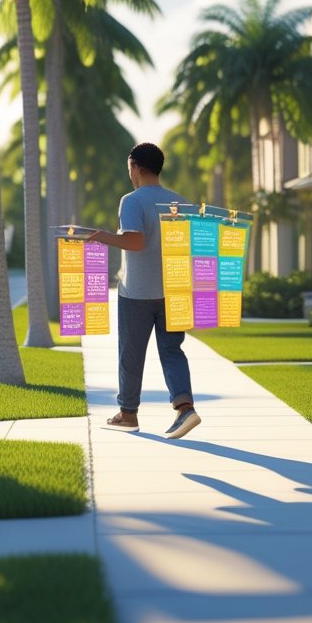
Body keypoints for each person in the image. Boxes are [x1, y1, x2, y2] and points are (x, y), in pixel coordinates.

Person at [90, 142, 201, 438]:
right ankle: (185, 408)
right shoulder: (180, 202)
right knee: (172, 350)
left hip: (137, 292)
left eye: (129, 167)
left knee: (131, 354)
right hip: (174, 290)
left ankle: (128, 413)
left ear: (137, 167)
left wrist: (102, 237)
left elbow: (135, 242)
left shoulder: (132, 201)